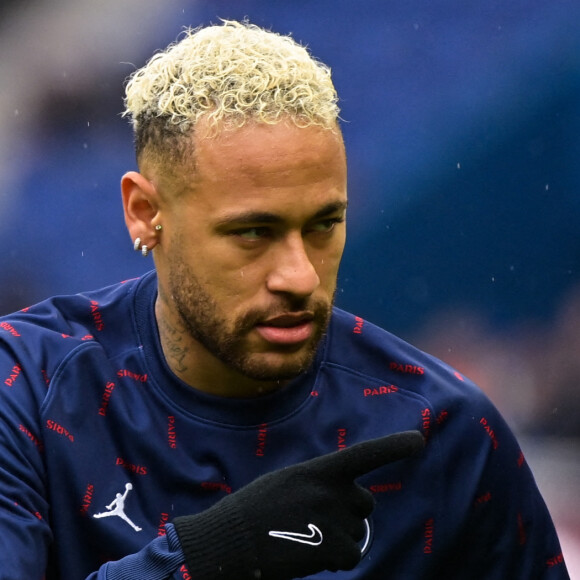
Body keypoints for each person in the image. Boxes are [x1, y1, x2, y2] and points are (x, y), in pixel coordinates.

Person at [0, 19, 569, 580]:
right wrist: (211, 553)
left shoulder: (447, 434)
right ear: (147, 214)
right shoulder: (24, 387)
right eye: (253, 232)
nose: (299, 276)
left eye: (324, 225)